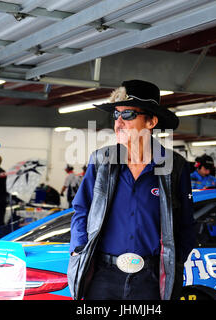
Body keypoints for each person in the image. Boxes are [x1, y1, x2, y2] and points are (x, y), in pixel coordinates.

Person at [67, 79, 196, 300]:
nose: (118, 122)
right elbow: (81, 209)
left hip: (151, 280)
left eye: (127, 115)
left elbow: (186, 224)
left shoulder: (175, 167)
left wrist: (175, 260)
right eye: (116, 115)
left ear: (151, 121)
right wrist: (78, 249)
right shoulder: (101, 162)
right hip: (103, 277)